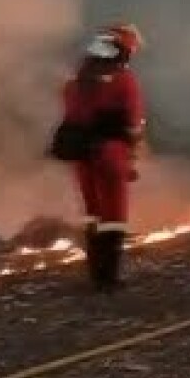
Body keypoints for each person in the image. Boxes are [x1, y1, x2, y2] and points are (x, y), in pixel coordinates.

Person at [60, 23, 146, 292]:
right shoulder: (124, 80)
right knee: (114, 215)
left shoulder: (76, 81)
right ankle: (109, 278)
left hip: (81, 155)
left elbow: (72, 116)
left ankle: (95, 274)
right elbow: (133, 124)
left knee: (93, 213)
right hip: (111, 153)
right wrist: (133, 153)